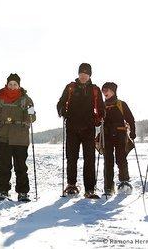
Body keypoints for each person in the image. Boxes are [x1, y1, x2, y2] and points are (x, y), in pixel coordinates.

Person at [0, 73, 36, 203]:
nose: (12, 87)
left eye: (15, 84)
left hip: (21, 138)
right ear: (7, 85)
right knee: (3, 166)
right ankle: (3, 192)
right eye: (10, 84)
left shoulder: (26, 99)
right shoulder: (0, 99)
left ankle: (23, 193)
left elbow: (33, 118)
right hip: (4, 136)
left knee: (21, 166)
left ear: (19, 85)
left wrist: (30, 114)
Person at [56, 63, 105, 198]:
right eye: (81, 73)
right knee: (71, 158)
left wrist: (101, 116)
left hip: (89, 128)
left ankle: (89, 189)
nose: (83, 76)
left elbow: (101, 106)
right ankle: (71, 185)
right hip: (72, 127)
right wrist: (62, 111)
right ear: (78, 74)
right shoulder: (70, 87)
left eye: (86, 74)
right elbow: (61, 102)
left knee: (89, 159)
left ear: (90, 75)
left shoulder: (95, 89)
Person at [101, 82, 136, 195]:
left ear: (113, 91)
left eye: (107, 90)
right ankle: (108, 186)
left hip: (120, 135)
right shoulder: (102, 105)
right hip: (106, 136)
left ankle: (124, 182)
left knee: (121, 158)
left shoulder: (121, 104)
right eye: (103, 90)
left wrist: (133, 132)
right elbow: (97, 121)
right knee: (108, 161)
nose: (105, 92)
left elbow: (130, 119)